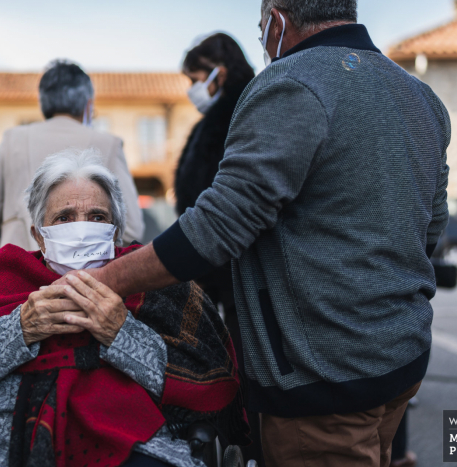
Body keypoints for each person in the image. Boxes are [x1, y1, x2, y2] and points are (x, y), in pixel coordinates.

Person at [61, 1, 451, 466]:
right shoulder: (421, 97)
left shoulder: (291, 84)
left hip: (323, 377)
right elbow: (432, 229)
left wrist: (100, 282)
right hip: (401, 357)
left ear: (278, 20)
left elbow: (218, 226)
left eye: (262, 24)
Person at [0, 149, 247, 467]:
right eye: (64, 218)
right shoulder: (3, 278)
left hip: (134, 445)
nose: (81, 228)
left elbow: (207, 389)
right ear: (39, 235)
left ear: (116, 231)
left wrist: (122, 333)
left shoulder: (156, 285)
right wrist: (20, 329)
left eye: (97, 217)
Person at [175, 32, 262, 465]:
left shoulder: (245, 112)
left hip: (233, 270)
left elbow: (227, 202)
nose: (191, 89)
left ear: (218, 71)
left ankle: (247, 442)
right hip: (215, 269)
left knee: (243, 362)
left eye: (195, 77)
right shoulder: (224, 115)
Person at [0, 59, 144, 249]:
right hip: (86, 273)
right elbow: (132, 230)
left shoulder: (13, 139)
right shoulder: (109, 144)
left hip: (21, 271)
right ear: (88, 105)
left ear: (43, 102)